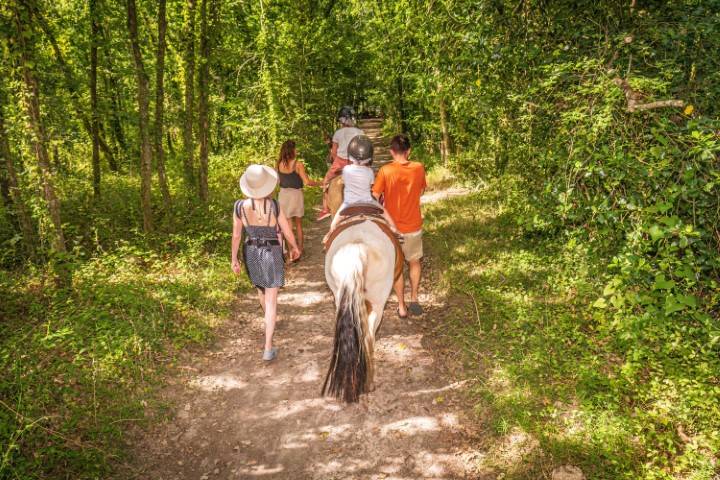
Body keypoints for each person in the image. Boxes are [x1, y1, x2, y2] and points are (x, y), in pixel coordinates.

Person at [231, 164, 300, 361]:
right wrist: (294, 247)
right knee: (271, 299)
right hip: (272, 251)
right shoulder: (274, 205)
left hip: (251, 251)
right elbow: (286, 231)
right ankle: (268, 347)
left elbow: (236, 235)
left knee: (261, 291)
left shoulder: (239, 207)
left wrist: (234, 258)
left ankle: (268, 321)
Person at [372, 134, 427, 318]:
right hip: (413, 225)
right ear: (409, 151)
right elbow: (421, 189)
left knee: (396, 267)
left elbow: (375, 196)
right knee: (414, 262)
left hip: (392, 229)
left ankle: (402, 306)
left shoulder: (385, 171)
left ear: (391, 152)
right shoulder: (419, 168)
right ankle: (414, 299)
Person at [326, 134, 398, 236]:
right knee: (385, 212)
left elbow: (343, 179)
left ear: (350, 155)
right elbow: (371, 185)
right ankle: (395, 230)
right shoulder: (369, 171)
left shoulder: (346, 170)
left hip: (348, 203)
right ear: (369, 157)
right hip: (368, 202)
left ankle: (330, 234)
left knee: (336, 217)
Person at [316, 106, 364, 221]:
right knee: (369, 179)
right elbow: (363, 150)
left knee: (326, 181)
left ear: (341, 120)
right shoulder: (360, 132)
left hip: (339, 162)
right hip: (355, 163)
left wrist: (335, 158)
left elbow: (333, 152)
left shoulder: (338, 133)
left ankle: (325, 209)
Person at [276, 140, 320, 258]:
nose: (297, 150)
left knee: (287, 224)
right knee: (298, 224)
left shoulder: (279, 163)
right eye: (295, 148)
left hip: (283, 195)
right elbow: (307, 182)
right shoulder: (298, 164)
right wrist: (321, 183)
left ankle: (291, 251)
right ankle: (300, 249)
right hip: (295, 195)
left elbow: (278, 181)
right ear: (291, 150)